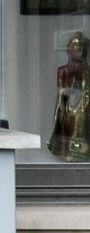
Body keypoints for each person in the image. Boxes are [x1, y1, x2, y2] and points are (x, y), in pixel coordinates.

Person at [49, 31, 90, 161]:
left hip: (84, 103)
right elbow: (61, 91)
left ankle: (82, 150)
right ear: (69, 50)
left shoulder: (87, 70)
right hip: (69, 103)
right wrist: (71, 92)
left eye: (80, 48)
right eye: (75, 47)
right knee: (69, 116)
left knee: (82, 116)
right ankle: (68, 149)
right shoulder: (63, 70)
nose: (78, 50)